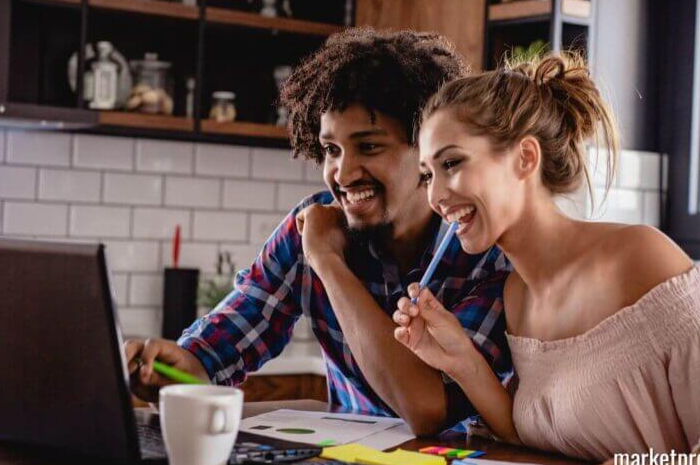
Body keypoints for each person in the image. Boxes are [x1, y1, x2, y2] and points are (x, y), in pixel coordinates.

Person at [392, 52, 700, 465]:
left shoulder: (638, 258)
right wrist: (461, 361)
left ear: (525, 158)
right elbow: (537, 433)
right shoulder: (519, 295)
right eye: (428, 174)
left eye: (452, 164)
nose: (435, 194)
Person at [125, 28, 513, 435]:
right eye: (331, 150)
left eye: (369, 147)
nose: (342, 174)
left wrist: (329, 263)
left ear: (426, 151)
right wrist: (177, 368)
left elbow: (427, 409)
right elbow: (225, 342)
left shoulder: (482, 250)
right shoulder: (310, 227)